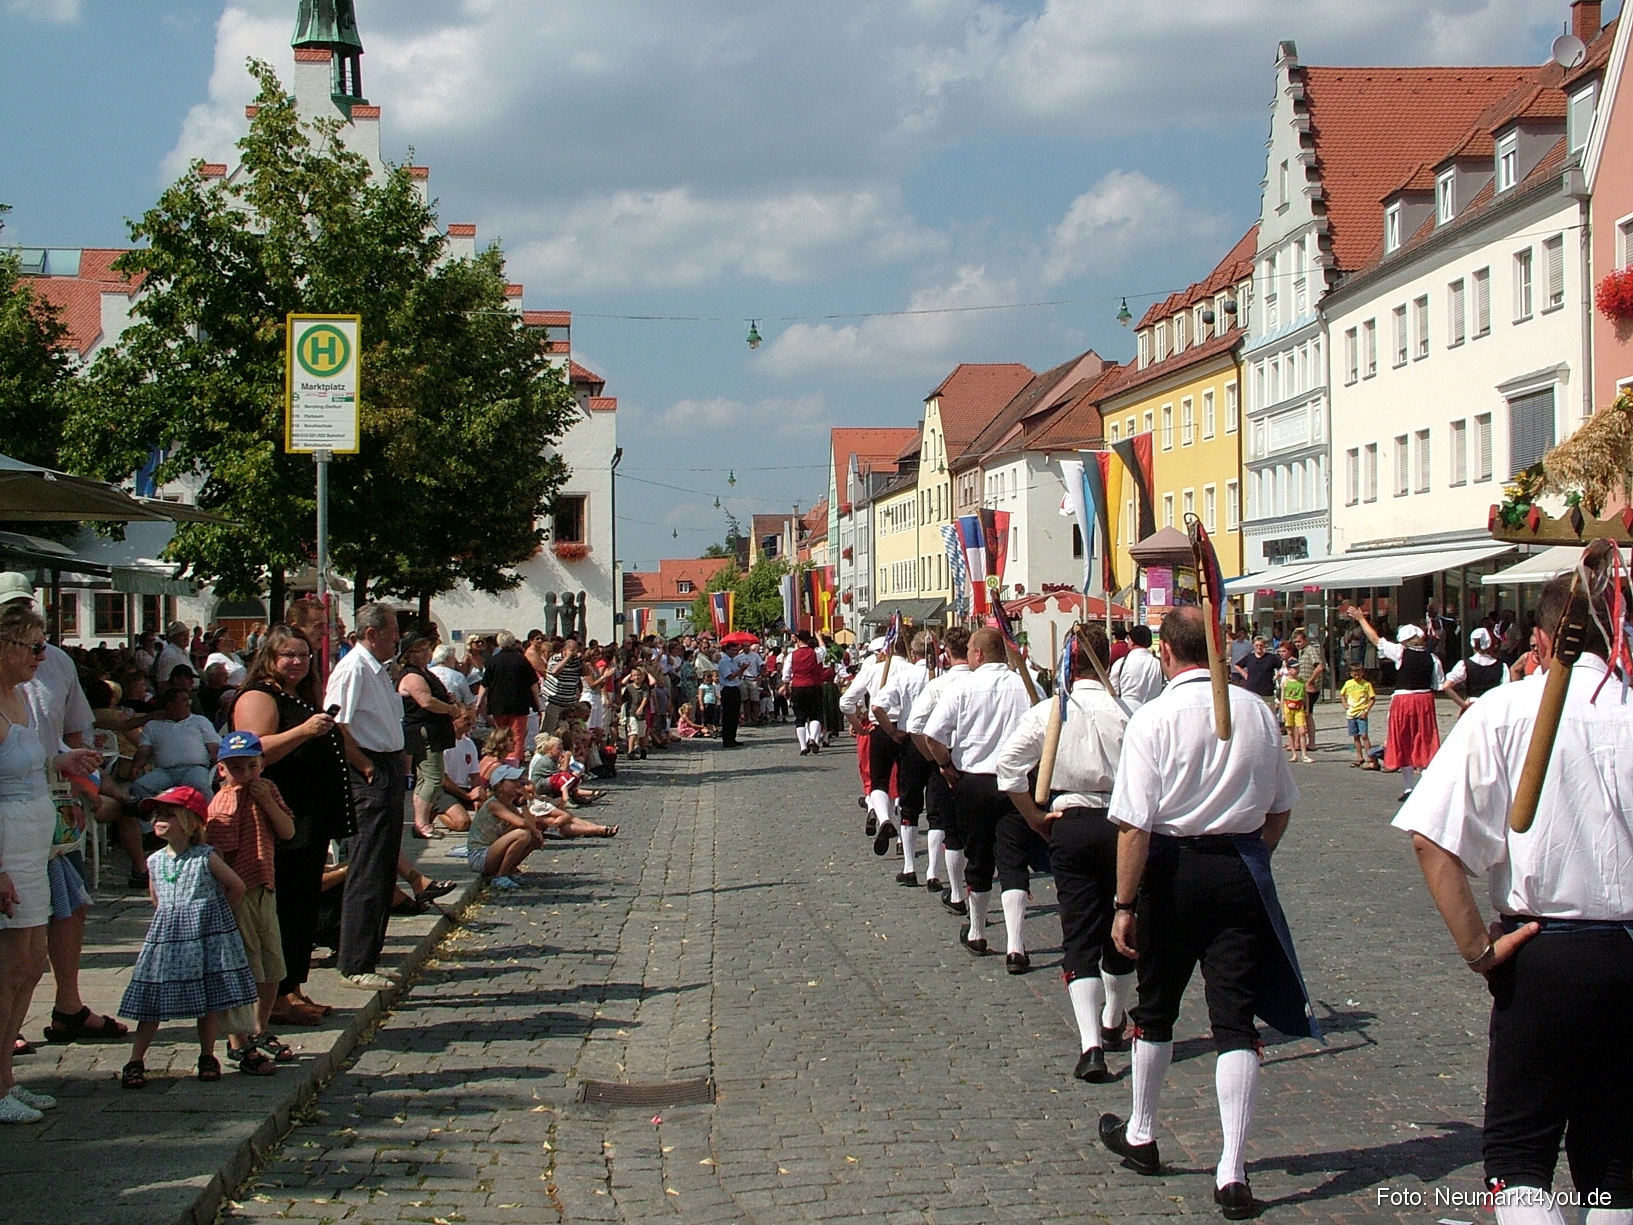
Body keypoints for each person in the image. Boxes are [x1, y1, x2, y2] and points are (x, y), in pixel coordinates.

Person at [1394, 570, 1632, 1225]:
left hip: (1542, 948)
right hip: (1623, 951)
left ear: (1539, 636)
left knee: (1520, 1163)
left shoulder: (1501, 708)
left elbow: (1429, 836)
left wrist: (1476, 946)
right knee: (1613, 1167)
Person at [1098, 606, 1317, 1221]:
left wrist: (1122, 904)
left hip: (1170, 870)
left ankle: (1142, 1132)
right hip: (1239, 868)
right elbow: (1280, 808)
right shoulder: (1256, 710)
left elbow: (1134, 826)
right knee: (1234, 1018)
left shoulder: (1155, 718)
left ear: (1166, 652)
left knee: (1157, 1006)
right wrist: (1248, 855)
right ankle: (1233, 1168)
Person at [996, 624, 1133, 1081]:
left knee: (1080, 928)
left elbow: (1007, 767)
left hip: (1071, 824)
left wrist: (1033, 818)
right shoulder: (1129, 712)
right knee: (1122, 917)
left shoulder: (1050, 711)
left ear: (1070, 662)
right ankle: (1113, 1016)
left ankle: (1091, 1043)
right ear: (1106, 661)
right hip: (1122, 824)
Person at [0, 577, 123, 1053]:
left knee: (59, 917)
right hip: (12, 830)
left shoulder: (54, 667)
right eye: (26, 635)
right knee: (13, 953)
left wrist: (81, 779)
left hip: (50, 813)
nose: (38, 647)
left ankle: (65, 1007)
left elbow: (73, 733)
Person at [0, 604, 101, 1121]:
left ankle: (6, 1079)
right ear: (5, 645)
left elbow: (28, 760)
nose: (43, 656)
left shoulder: (16, 697)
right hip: (8, 845)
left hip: (35, 838)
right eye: (33, 646)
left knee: (33, 962)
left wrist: (62, 761)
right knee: (10, 965)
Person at [231, 625, 353, 1027]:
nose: (298, 662)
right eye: (289, 655)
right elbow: (251, 749)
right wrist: (304, 731)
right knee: (285, 906)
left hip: (308, 813)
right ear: (269, 656)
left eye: (304, 654)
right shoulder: (259, 695)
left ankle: (293, 987)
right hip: (282, 815)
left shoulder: (295, 694)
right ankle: (278, 997)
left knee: (302, 903)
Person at [117, 785, 260, 1089]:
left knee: (207, 998)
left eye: (169, 814)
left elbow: (236, 886)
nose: (160, 819)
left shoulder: (205, 857)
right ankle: (136, 1059)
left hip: (203, 935)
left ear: (191, 822)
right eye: (158, 814)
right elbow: (156, 898)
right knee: (152, 998)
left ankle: (207, 1055)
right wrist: (171, 917)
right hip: (168, 938)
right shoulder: (155, 861)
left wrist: (215, 914)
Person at [922, 628, 1033, 965]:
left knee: (979, 857)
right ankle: (1017, 946)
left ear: (979, 654)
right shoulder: (1025, 685)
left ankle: (977, 931)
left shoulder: (963, 687)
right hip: (1016, 782)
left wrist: (945, 766)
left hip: (974, 780)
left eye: (970, 650)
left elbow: (933, 735)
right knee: (1014, 861)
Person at [323, 603, 407, 992]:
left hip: (385, 764)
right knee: (367, 864)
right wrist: (365, 766)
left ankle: (368, 953)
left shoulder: (378, 670)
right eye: (392, 632)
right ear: (372, 633)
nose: (397, 639)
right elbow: (336, 722)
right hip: (369, 770)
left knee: (383, 862)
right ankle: (355, 960)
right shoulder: (354, 668)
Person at [205, 731, 292, 1076]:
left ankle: (260, 1026)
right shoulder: (223, 802)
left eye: (252, 766)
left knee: (272, 965)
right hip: (237, 892)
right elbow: (221, 854)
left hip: (265, 883)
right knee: (245, 965)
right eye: (237, 768)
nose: (246, 775)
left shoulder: (267, 790)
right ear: (222, 770)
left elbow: (287, 831)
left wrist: (267, 801)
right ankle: (237, 1039)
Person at [1343, 608, 1444, 801]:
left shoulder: (1400, 652)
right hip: (1424, 701)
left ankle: (1408, 787)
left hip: (1404, 700)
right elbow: (1437, 684)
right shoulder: (1432, 658)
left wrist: (1362, 619)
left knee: (1403, 740)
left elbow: (1375, 639)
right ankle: (1425, 781)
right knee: (1424, 739)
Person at [906, 627, 971, 904]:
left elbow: (915, 726)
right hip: (982, 765)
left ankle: (957, 893)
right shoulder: (989, 682)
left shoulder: (939, 685)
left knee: (949, 828)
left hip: (948, 760)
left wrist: (933, 758)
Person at [872, 632, 932, 884]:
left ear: (914, 654)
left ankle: (910, 867)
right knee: (939, 812)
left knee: (910, 804)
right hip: (942, 743)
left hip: (912, 742)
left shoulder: (905, 676)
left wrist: (892, 731)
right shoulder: (943, 677)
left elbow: (877, 706)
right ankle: (934, 873)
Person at [398, 632, 461, 841]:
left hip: (433, 730)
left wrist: (447, 698)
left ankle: (422, 821)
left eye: (427, 648)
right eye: (421, 649)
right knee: (433, 778)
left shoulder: (425, 672)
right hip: (423, 731)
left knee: (427, 778)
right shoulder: (412, 675)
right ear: (409, 654)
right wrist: (450, 710)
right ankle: (422, 823)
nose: (426, 653)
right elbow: (426, 702)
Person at [131, 687, 221, 799]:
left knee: (199, 785)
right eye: (183, 701)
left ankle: (207, 815)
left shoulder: (200, 721)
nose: (188, 704)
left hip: (194, 769)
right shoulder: (153, 725)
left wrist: (221, 765)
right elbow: (144, 750)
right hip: (165, 772)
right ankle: (155, 814)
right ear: (170, 705)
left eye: (188, 700)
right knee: (139, 786)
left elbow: (213, 746)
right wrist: (137, 766)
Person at [466, 764, 542, 890]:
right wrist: (535, 831)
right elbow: (521, 824)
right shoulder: (493, 804)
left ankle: (510, 870)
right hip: (480, 856)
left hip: (492, 852)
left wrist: (523, 802)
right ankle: (500, 876)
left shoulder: (509, 805)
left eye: (518, 780)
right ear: (500, 785)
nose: (518, 784)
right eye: (513, 781)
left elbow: (529, 823)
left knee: (532, 839)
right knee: (522, 835)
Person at [479, 631, 542, 760]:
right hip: (519, 703)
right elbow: (533, 684)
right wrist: (538, 704)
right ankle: (513, 762)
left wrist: (478, 703)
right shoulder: (522, 660)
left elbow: (485, 684)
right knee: (517, 735)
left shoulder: (492, 661)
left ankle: (500, 760)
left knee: (501, 734)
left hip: (498, 703)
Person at [435, 708, 483, 837]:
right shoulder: (443, 743)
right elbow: (443, 780)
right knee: (462, 823)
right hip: (444, 791)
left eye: (471, 719)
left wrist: (477, 794)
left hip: (463, 788)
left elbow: (475, 775)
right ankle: (439, 811)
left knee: (493, 810)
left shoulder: (469, 744)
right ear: (454, 720)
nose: (470, 723)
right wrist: (467, 797)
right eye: (466, 719)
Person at [784, 631, 831, 756]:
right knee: (815, 715)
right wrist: (819, 638)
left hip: (798, 687)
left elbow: (786, 675)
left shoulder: (791, 656)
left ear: (798, 640)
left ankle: (803, 746)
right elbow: (823, 650)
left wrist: (785, 687)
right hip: (814, 686)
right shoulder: (815, 653)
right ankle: (814, 739)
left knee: (800, 718)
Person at [1442, 627, 1508, 714]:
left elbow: (1446, 686)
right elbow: (1505, 691)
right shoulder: (1502, 666)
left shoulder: (1465, 664)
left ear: (1472, 644)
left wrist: (1464, 705)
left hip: (1473, 707)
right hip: (1493, 707)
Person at [1109, 625, 1165, 706]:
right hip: (1152, 711)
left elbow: (1112, 691)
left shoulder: (1121, 663)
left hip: (1126, 711)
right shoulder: (1159, 664)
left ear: (1132, 642)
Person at [1290, 626, 1325, 748]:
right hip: (1303, 688)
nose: (1297, 644)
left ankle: (1303, 743)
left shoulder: (1310, 650)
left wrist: (1310, 682)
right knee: (1307, 714)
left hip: (1310, 689)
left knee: (1302, 714)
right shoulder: (1301, 652)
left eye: (1299, 641)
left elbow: (1320, 667)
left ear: (1305, 640)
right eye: (1295, 643)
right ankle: (1306, 743)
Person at [1339, 665, 1377, 769]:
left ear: (1362, 673)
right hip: (1351, 713)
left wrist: (1366, 710)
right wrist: (1344, 704)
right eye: (1354, 674)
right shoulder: (1348, 683)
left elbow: (1372, 699)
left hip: (1361, 712)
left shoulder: (1366, 684)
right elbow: (1342, 694)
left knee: (1364, 735)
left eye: (1359, 674)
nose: (1357, 676)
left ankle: (1370, 757)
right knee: (1355, 736)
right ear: (1351, 674)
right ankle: (1359, 757)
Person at [1231, 636, 1278, 718]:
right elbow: (1237, 665)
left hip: (1267, 692)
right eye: (1257, 645)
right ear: (1253, 646)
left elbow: (1282, 666)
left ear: (1264, 646)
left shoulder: (1271, 658)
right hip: (1252, 690)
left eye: (1261, 645)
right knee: (1253, 716)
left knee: (1269, 716)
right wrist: (1245, 675)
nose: (1259, 647)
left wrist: (1277, 676)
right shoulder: (1250, 657)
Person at [716, 642, 746, 748]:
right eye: (732, 650)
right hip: (727, 689)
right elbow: (729, 677)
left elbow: (738, 676)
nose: (735, 652)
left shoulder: (733, 661)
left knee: (735, 715)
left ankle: (732, 738)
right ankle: (727, 739)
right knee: (728, 716)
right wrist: (740, 670)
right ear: (727, 650)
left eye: (736, 650)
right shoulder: (724, 661)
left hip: (735, 688)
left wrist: (742, 670)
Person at [1279, 664, 1311, 764]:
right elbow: (1282, 698)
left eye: (1297, 668)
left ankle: (1304, 755)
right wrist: (1283, 713)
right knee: (1290, 731)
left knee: (1302, 731)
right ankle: (1294, 754)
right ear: (1288, 669)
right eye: (1294, 668)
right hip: (1288, 707)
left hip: (1299, 707)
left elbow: (1305, 696)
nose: (1296, 670)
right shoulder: (1285, 682)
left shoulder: (1301, 681)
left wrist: (1307, 708)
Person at [152, 622, 192, 690]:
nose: (186, 638)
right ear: (173, 637)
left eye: (187, 635)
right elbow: (163, 682)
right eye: (182, 635)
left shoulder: (182, 652)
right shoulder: (169, 654)